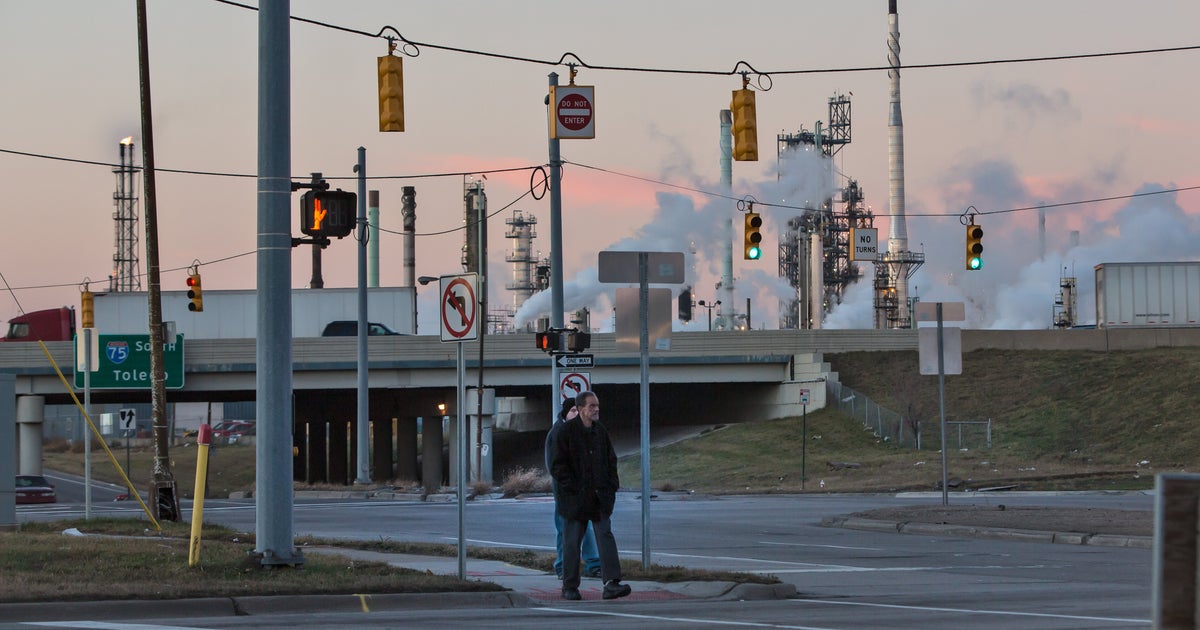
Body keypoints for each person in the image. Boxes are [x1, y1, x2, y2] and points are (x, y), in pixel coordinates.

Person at [550, 390, 631, 601]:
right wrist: (573, 489)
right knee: (572, 542)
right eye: (592, 406)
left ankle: (612, 583)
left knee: (605, 536)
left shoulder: (600, 432)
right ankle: (570, 586)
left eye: (597, 406)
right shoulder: (565, 432)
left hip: (599, 499)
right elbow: (557, 467)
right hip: (575, 501)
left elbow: (611, 461)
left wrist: (611, 486)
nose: (596, 410)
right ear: (581, 408)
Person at [544, 397, 602, 580]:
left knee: (588, 529)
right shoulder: (558, 433)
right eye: (573, 411)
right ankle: (562, 566)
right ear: (566, 413)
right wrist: (568, 485)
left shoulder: (588, 431)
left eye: (578, 411)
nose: (577, 415)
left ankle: (593, 564)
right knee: (564, 529)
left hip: (585, 491)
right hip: (565, 492)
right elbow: (554, 465)